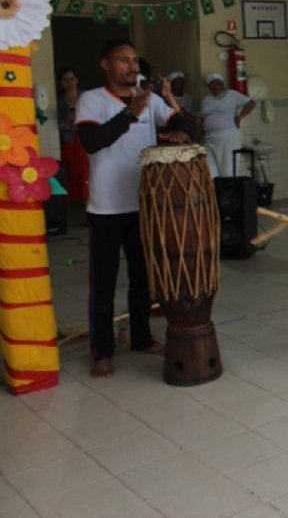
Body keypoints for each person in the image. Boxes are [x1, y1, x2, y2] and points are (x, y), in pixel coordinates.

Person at [75, 39, 190, 378]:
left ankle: (141, 337)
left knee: (143, 279)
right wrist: (131, 113)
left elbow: (180, 124)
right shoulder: (91, 100)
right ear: (105, 65)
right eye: (123, 60)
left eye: (135, 60)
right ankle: (102, 351)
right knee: (104, 283)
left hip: (144, 205)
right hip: (106, 208)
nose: (132, 66)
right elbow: (92, 142)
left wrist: (178, 132)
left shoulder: (150, 99)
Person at [199, 72, 255, 178]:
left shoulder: (232, 95)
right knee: (210, 170)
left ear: (222, 84)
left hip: (228, 137)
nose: (215, 86)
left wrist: (240, 116)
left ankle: (230, 194)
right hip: (210, 139)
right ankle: (216, 193)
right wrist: (196, 139)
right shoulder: (206, 100)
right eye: (212, 83)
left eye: (217, 83)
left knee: (228, 169)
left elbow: (251, 103)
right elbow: (202, 120)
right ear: (209, 86)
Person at [56, 66, 89, 203]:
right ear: (61, 82)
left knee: (86, 172)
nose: (69, 83)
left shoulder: (86, 96)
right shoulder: (59, 100)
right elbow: (58, 124)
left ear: (77, 80)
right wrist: (67, 119)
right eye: (65, 80)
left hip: (86, 139)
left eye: (72, 79)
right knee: (71, 171)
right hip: (69, 141)